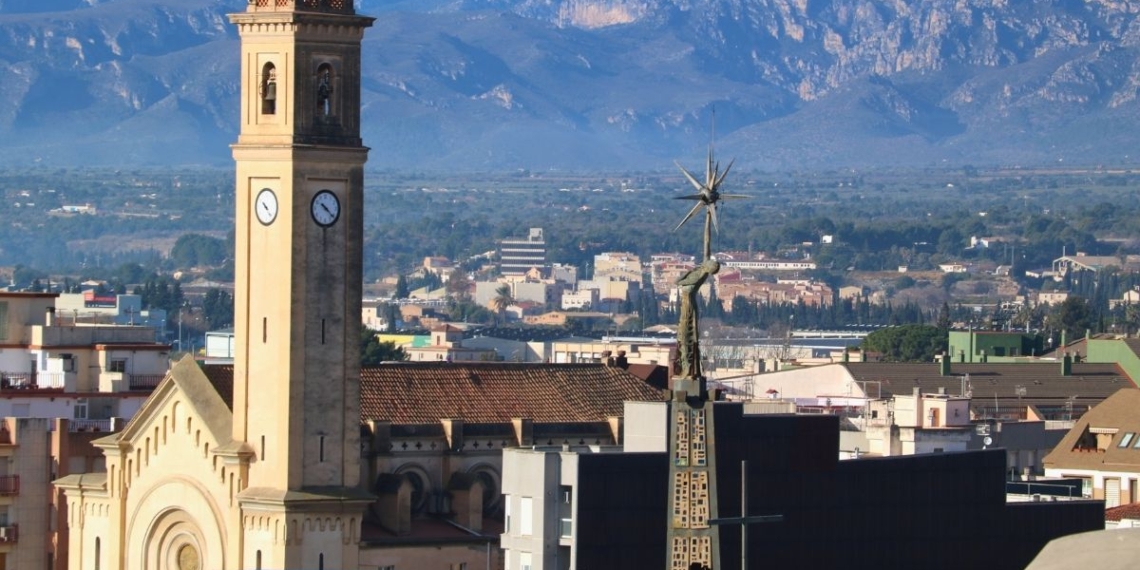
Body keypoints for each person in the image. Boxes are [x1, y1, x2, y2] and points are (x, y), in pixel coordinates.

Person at [675, 258, 720, 379]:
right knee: (685, 336)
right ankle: (688, 367)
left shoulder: (697, 276)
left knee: (685, 337)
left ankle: (687, 368)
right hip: (688, 306)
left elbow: (677, 281)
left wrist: (690, 271)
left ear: (708, 267)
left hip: (687, 308)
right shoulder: (701, 272)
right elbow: (706, 256)